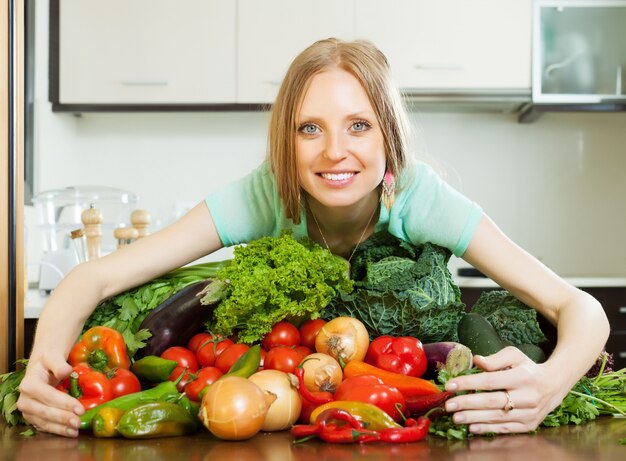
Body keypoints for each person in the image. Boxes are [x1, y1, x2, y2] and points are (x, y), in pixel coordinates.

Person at [17, 38, 609, 437]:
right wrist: (41, 366)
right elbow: (98, 276)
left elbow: (578, 307)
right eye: (309, 129)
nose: (334, 151)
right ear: (285, 141)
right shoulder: (267, 194)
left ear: (387, 138)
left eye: (358, 125)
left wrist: (549, 384)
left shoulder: (420, 198)